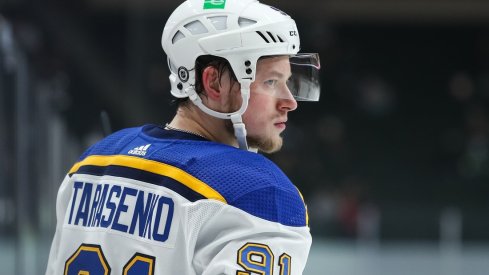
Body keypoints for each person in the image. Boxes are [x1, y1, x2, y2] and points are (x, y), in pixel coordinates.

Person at [45, 0, 320, 274]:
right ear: (214, 83)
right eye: (271, 82)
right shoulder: (259, 193)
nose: (289, 101)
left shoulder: (94, 162)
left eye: (287, 82)